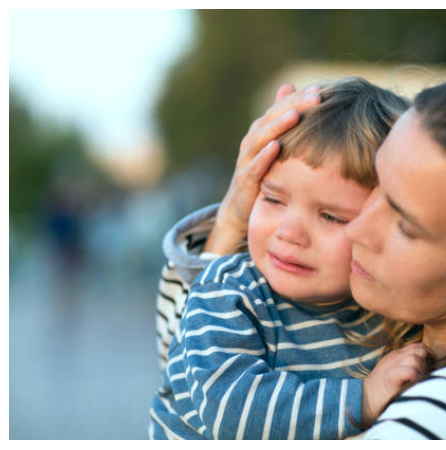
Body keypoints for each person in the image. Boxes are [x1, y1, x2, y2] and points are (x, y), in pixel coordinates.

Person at [155, 67, 446, 439]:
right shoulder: (410, 329)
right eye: (376, 191)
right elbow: (189, 372)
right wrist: (234, 223)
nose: (360, 229)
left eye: (405, 222)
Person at [149, 78, 431, 440]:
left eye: (331, 216)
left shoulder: (388, 313)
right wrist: (363, 398)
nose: (289, 232)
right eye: (273, 199)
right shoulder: (228, 291)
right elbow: (230, 411)